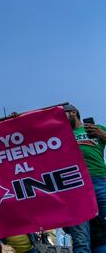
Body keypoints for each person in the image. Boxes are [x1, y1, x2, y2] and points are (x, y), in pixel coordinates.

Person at [63, 104, 106, 252]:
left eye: (62, 115)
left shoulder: (96, 129)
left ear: (73, 112)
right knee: (80, 238)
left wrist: (104, 135)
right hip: (74, 185)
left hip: (100, 180)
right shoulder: (59, 136)